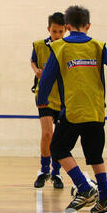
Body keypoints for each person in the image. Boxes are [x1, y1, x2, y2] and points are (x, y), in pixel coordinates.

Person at [37, 5, 107, 213]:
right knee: (95, 155)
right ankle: (105, 196)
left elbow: (48, 77)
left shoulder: (60, 47)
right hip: (96, 111)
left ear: (67, 27)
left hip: (74, 111)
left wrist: (42, 99)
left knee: (58, 148)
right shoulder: (98, 45)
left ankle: (84, 188)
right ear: (88, 25)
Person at [31, 12, 66, 189]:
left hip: (63, 99)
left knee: (58, 138)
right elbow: (33, 61)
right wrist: (36, 70)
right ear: (48, 29)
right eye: (54, 31)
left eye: (61, 31)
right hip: (44, 96)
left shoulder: (68, 48)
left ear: (66, 30)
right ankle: (44, 170)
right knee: (47, 134)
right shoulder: (38, 45)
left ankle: (56, 173)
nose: (57, 35)